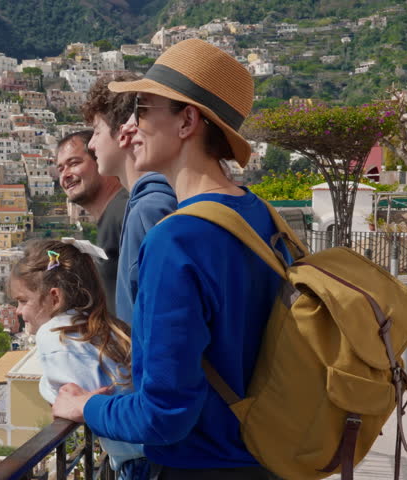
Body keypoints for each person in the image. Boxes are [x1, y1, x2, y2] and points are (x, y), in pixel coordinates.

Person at [52, 39, 288, 479]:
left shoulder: (176, 240)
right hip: (267, 458)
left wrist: (86, 406)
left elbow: (164, 414)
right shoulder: (261, 215)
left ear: (187, 122)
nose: (130, 127)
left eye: (142, 110)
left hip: (200, 466)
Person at [9, 239, 149, 479]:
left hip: (138, 461)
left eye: (23, 301)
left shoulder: (54, 335)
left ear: (54, 298)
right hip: (155, 452)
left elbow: (69, 397)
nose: (18, 311)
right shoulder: (106, 328)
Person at [83, 73, 178, 325]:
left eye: (97, 131)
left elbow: (165, 314)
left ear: (124, 132)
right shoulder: (143, 203)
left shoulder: (149, 209)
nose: (91, 144)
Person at [56, 131, 127, 312]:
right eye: (60, 169)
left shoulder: (125, 212)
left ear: (100, 160)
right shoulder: (112, 216)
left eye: (74, 163)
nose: (65, 175)